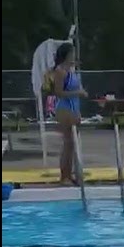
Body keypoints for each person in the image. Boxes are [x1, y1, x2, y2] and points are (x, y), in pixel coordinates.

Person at [43, 44, 88, 187]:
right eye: (72, 52)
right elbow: (59, 93)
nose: (74, 55)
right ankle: (64, 176)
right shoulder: (60, 71)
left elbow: (75, 89)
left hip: (74, 108)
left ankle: (70, 174)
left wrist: (81, 94)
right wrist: (78, 93)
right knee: (68, 143)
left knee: (73, 144)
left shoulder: (71, 70)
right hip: (64, 108)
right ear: (67, 54)